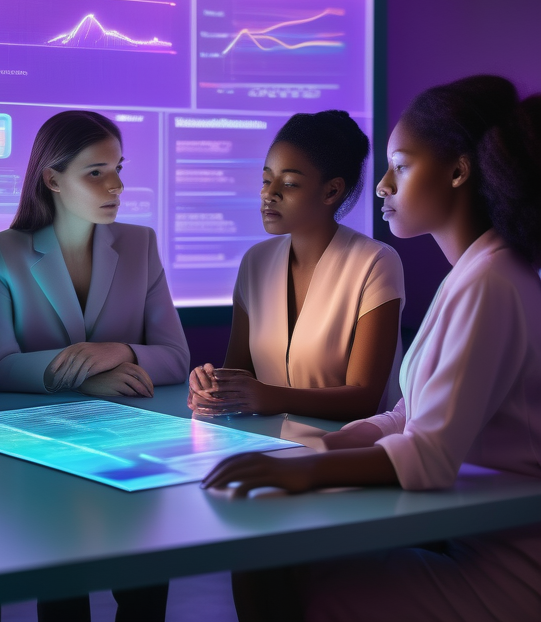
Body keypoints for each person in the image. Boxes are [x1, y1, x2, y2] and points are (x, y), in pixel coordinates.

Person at [202, 76, 541, 622]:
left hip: (506, 561)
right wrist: (314, 451)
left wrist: (302, 474)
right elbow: (409, 414)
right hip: (470, 529)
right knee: (275, 561)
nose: (382, 186)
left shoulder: (490, 282)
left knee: (298, 575)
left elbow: (428, 455)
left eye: (400, 167)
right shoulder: (476, 273)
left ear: (457, 171)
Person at [0, 110, 189, 622]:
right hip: (45, 448)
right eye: (96, 172)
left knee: (143, 591)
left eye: (118, 168)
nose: (116, 185)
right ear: (52, 178)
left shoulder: (139, 244)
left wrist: (117, 350)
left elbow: (177, 357)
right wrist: (90, 378)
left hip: (136, 443)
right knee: (63, 596)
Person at [188, 110, 404, 421]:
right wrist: (213, 387)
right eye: (266, 179)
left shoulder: (375, 263)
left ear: (332, 191)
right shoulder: (255, 261)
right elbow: (240, 373)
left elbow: (365, 398)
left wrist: (266, 396)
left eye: (288, 184)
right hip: (265, 447)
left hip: (345, 451)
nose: (268, 193)